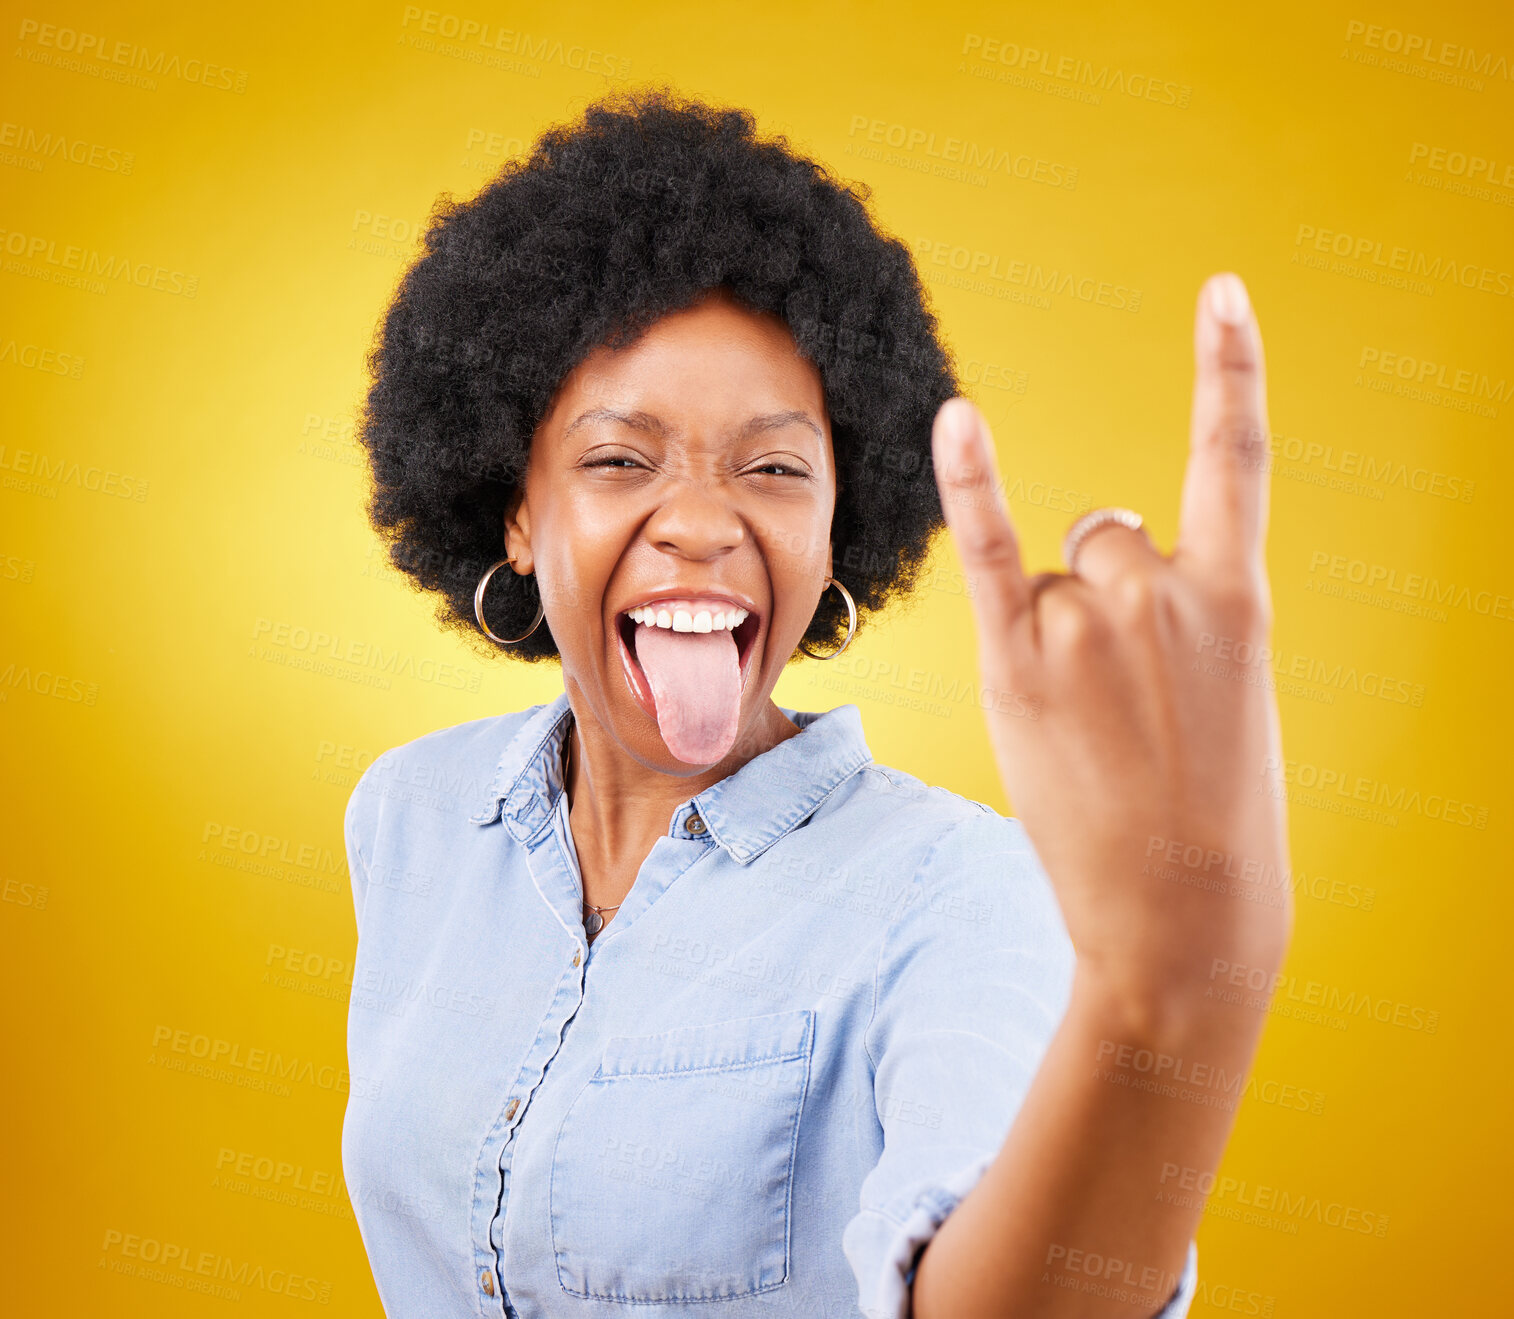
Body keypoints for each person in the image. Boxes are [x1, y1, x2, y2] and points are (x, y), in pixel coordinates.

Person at [341, 87, 1291, 1319]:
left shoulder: (955, 890)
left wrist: (1163, 1009)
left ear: (840, 525)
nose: (696, 521)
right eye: (618, 458)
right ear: (515, 512)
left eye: (773, 468)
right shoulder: (409, 815)